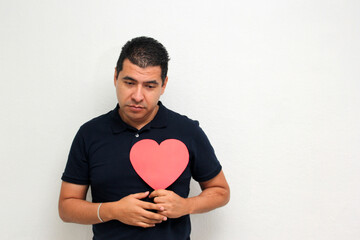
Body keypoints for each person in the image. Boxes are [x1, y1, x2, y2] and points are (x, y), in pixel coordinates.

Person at [59, 36, 230, 240]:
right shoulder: (89, 134)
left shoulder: (187, 131)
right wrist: (113, 210)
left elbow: (220, 191)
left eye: (149, 86)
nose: (138, 96)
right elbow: (66, 207)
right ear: (115, 77)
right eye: (129, 83)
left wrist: (186, 206)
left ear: (163, 85)